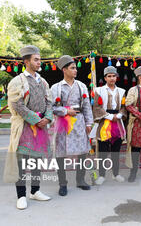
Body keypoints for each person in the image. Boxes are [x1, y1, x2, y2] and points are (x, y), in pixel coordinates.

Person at [4, 45, 53, 210]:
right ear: (26, 61)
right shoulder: (17, 81)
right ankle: (21, 195)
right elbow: (17, 104)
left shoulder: (43, 81)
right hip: (25, 126)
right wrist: (34, 119)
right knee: (22, 161)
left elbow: (49, 102)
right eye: (36, 59)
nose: (39, 62)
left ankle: (35, 190)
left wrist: (47, 118)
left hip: (41, 126)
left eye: (39, 59)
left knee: (37, 160)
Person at [51, 55, 93, 196]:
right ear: (64, 70)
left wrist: (89, 122)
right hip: (63, 123)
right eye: (72, 68)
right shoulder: (56, 88)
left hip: (79, 122)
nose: (75, 70)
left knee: (82, 152)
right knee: (60, 153)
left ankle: (80, 180)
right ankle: (62, 184)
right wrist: (65, 111)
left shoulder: (81, 86)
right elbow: (50, 107)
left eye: (75, 68)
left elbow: (86, 105)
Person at [92, 66, 127, 185]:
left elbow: (123, 107)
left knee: (116, 150)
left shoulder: (122, 91)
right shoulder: (99, 91)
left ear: (116, 77)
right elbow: (96, 107)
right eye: (109, 76)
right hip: (104, 122)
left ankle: (115, 174)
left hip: (117, 121)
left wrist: (120, 115)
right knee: (103, 149)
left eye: (114, 76)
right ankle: (102, 175)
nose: (112, 78)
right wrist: (110, 116)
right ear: (105, 78)